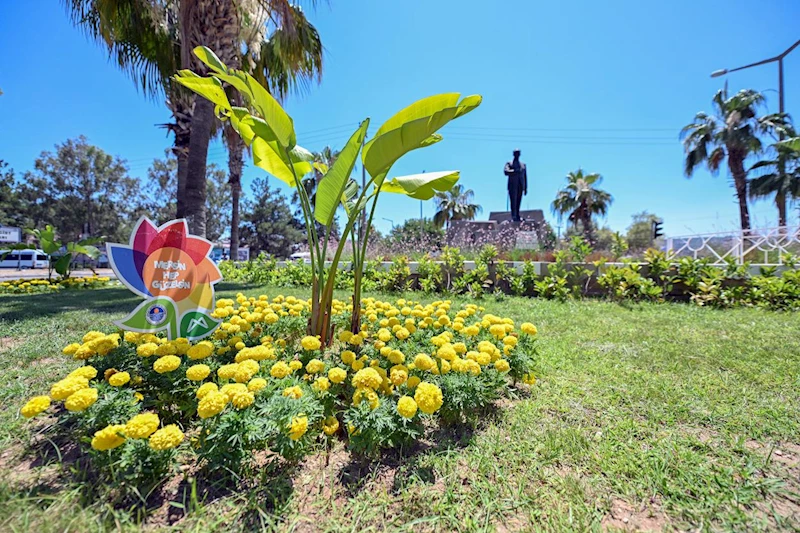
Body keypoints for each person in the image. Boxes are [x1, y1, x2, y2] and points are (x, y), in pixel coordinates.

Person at [503, 148, 527, 222]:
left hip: (520, 185)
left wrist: (525, 188)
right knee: (513, 201)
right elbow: (506, 171)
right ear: (513, 154)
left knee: (519, 201)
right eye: (516, 153)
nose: (517, 154)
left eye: (518, 153)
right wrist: (514, 171)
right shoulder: (509, 163)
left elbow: (525, 177)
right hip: (512, 185)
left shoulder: (523, 165)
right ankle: (513, 215)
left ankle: (517, 215)